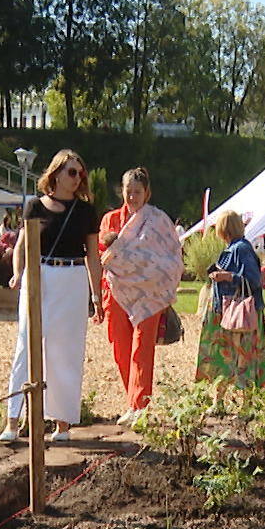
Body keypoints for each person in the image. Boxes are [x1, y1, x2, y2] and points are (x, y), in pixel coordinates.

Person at [0, 150, 101, 443]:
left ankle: (62, 423)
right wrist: (18, 273)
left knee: (65, 352)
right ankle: (13, 420)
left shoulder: (85, 211)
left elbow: (93, 257)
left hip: (72, 279)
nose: (77, 178)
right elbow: (21, 246)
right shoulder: (34, 207)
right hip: (39, 275)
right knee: (25, 344)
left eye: (80, 173)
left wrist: (97, 298)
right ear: (55, 173)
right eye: (72, 172)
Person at [99, 168, 183, 425]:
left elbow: (170, 256)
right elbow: (106, 255)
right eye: (128, 191)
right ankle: (132, 401)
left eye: (138, 192)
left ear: (147, 193)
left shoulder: (157, 221)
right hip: (116, 293)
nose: (133, 197)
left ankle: (140, 405)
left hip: (149, 295)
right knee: (121, 349)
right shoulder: (110, 220)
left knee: (142, 347)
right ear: (121, 191)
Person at [196, 211, 265, 389]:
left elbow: (254, 280)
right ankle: (224, 398)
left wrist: (227, 277)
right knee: (230, 357)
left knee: (240, 356)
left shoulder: (241, 249)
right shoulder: (234, 248)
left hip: (239, 312)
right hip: (228, 311)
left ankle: (245, 400)